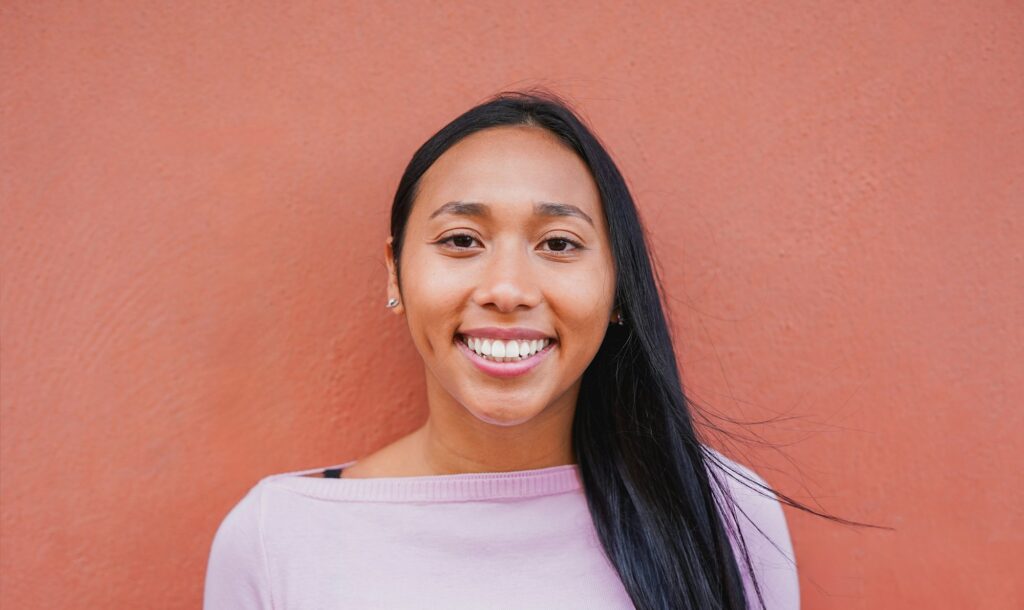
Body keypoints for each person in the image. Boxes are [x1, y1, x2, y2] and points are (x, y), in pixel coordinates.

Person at [203, 90, 800, 609]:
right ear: (395, 275)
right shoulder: (276, 535)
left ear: (620, 287)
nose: (508, 290)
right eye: (462, 240)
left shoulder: (726, 512)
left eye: (560, 244)